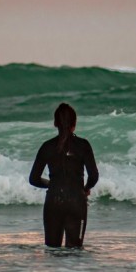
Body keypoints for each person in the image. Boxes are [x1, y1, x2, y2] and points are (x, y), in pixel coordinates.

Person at [29, 103, 99, 248]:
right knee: (74, 253)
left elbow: (33, 179)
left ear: (55, 123)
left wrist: (52, 184)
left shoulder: (46, 147)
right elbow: (94, 176)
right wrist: (86, 188)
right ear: (74, 124)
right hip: (76, 202)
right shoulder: (83, 145)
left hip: (53, 202)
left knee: (52, 252)